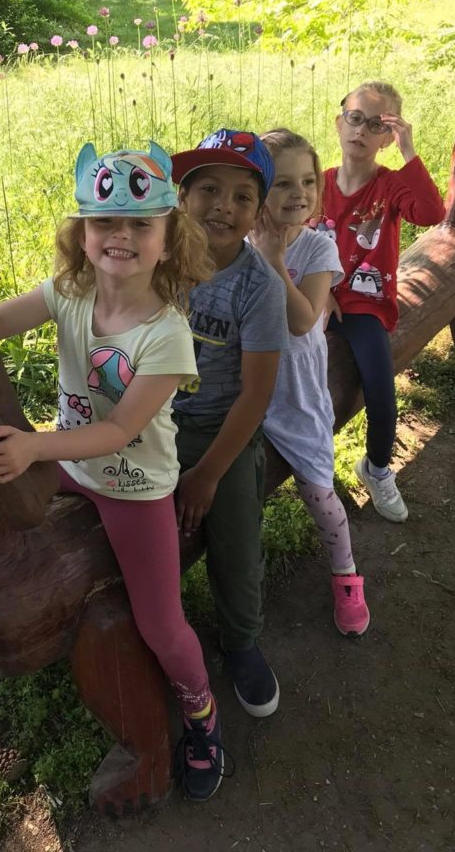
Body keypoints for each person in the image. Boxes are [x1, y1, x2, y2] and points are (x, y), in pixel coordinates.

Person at [0, 141, 228, 802]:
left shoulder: (166, 335)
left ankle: (201, 712)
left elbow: (119, 432)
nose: (121, 237)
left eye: (140, 225)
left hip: (133, 486)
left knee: (159, 624)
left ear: (168, 241)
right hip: (68, 460)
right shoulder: (70, 292)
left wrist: (35, 448)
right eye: (104, 222)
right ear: (82, 234)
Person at [169, 129, 289, 718]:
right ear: (182, 196)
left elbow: (256, 393)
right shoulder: (158, 259)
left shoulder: (258, 287)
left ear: (258, 213)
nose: (223, 205)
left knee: (236, 541)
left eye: (242, 196)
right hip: (149, 418)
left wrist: (208, 474)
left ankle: (241, 639)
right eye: (209, 189)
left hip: (223, 429)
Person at [250, 129, 370, 636]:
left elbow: (302, 321)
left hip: (296, 395)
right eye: (282, 183)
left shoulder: (318, 248)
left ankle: (346, 574)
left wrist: (274, 262)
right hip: (245, 392)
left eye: (308, 181)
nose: (299, 193)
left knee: (319, 494)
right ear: (257, 191)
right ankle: (244, 578)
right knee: (240, 494)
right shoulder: (236, 244)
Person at [317, 81, 445, 522]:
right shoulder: (317, 184)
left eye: (377, 124)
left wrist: (410, 151)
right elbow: (295, 240)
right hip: (314, 297)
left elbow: (430, 213)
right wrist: (320, 294)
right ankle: (308, 465)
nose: (361, 130)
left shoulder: (390, 187)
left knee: (379, 388)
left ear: (388, 137)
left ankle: (376, 468)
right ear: (339, 123)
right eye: (355, 118)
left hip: (365, 305)